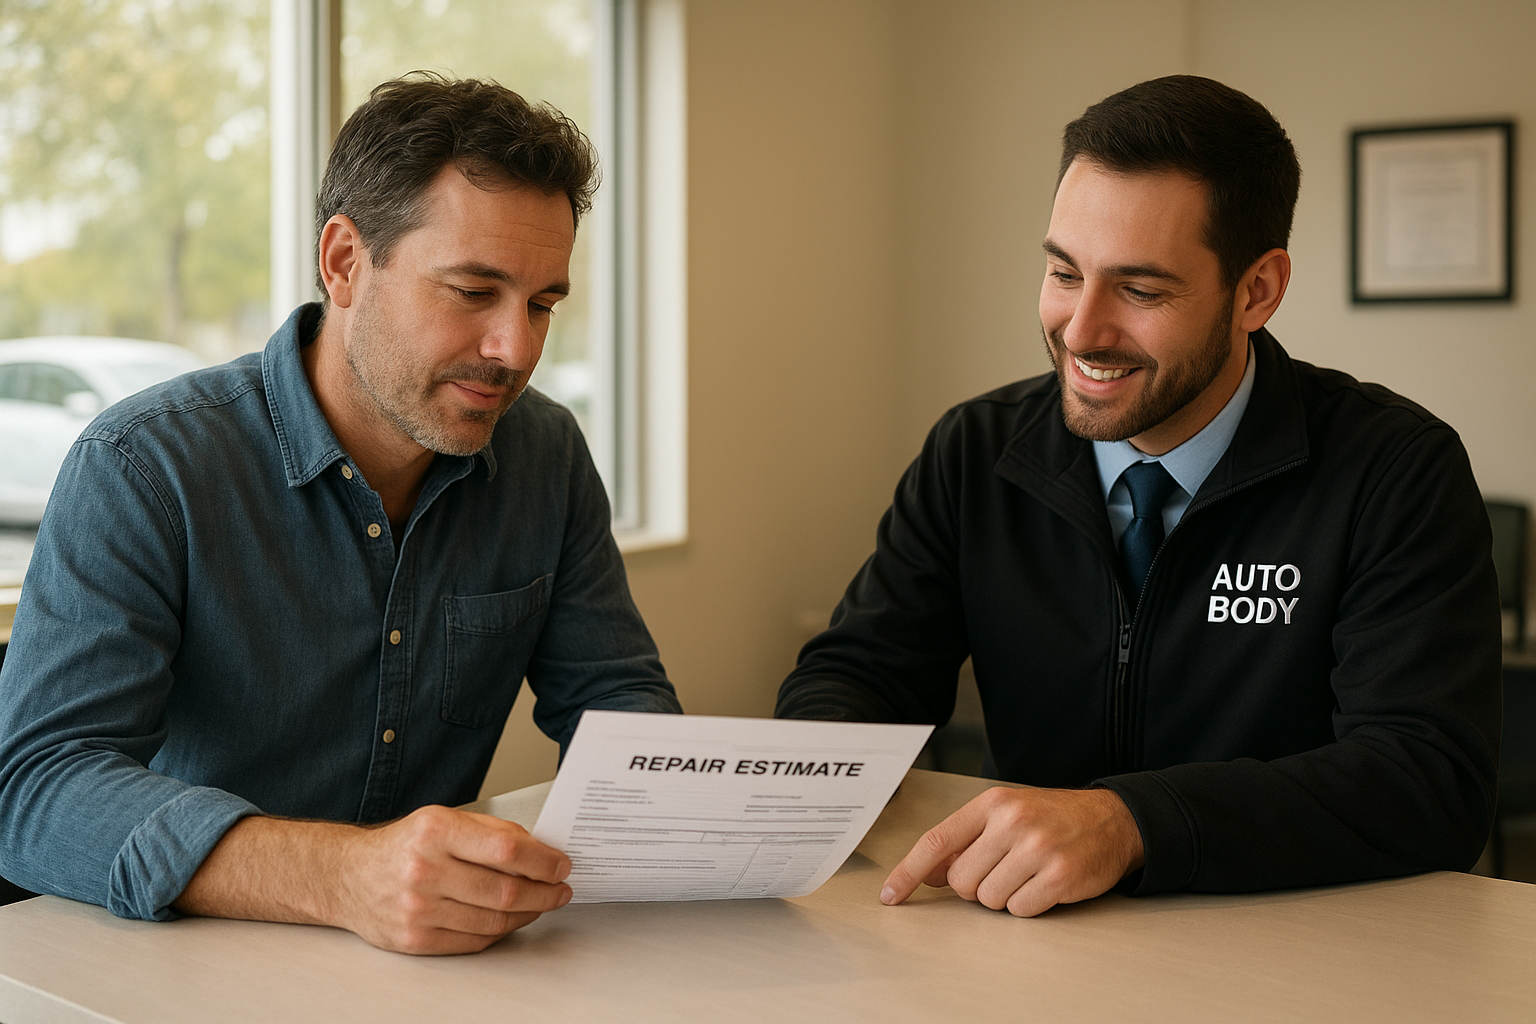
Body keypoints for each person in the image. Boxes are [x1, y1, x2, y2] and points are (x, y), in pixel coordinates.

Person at [776, 75, 1501, 917]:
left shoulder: (1395, 469)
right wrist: (810, 763)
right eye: (1062, 272)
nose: (1081, 331)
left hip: (1300, 942)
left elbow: (1427, 778)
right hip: (1024, 933)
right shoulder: (975, 449)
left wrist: (1131, 823)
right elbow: (864, 670)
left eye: (1141, 290)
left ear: (1257, 291)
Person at [0, 75, 681, 954]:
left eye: (543, 303)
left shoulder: (544, 454)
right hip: (177, 969)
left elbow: (617, 706)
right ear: (346, 262)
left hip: (436, 971)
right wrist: (342, 876)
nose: (516, 349)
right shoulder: (146, 465)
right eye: (474, 292)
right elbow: (36, 790)